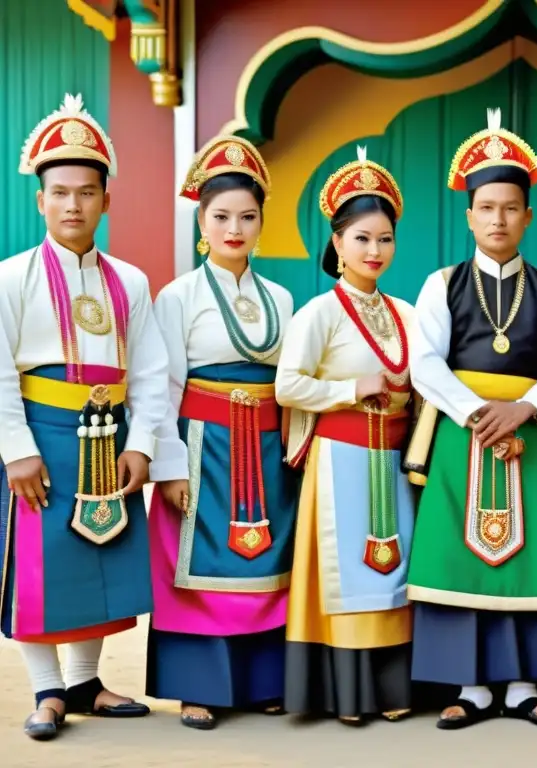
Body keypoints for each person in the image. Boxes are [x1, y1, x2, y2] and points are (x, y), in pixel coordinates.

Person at [0, 93, 168, 740]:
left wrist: (144, 443)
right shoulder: (11, 279)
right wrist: (16, 448)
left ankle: (86, 683)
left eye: (88, 192)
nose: (74, 205)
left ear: (106, 198)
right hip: (42, 435)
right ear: (40, 199)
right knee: (39, 567)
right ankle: (46, 691)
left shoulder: (131, 281)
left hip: (111, 435)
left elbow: (151, 371)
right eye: (61, 192)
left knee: (99, 557)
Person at [406, 108, 537, 729]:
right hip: (464, 433)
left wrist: (525, 408)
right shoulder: (442, 283)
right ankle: (471, 685)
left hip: (527, 436)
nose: (499, 219)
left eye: (511, 207)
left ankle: (526, 685)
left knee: (531, 557)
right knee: (462, 556)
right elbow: (423, 362)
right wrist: (478, 413)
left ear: (528, 216)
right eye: (487, 207)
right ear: (470, 213)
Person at [145, 135, 298, 730]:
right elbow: (162, 386)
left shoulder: (282, 298)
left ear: (262, 222)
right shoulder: (179, 296)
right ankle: (197, 686)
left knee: (265, 559)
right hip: (203, 443)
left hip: (265, 446)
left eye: (248, 216)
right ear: (202, 222)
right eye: (221, 216)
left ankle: (262, 683)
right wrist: (169, 465)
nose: (235, 228)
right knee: (201, 563)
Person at [275, 148, 415, 725]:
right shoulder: (318, 313)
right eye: (361, 238)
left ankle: (393, 688)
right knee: (348, 571)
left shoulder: (406, 311)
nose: (373, 251)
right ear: (336, 242)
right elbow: (287, 386)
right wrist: (351, 389)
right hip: (339, 460)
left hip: (394, 460)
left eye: (384, 239)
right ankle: (347, 693)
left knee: (394, 571)